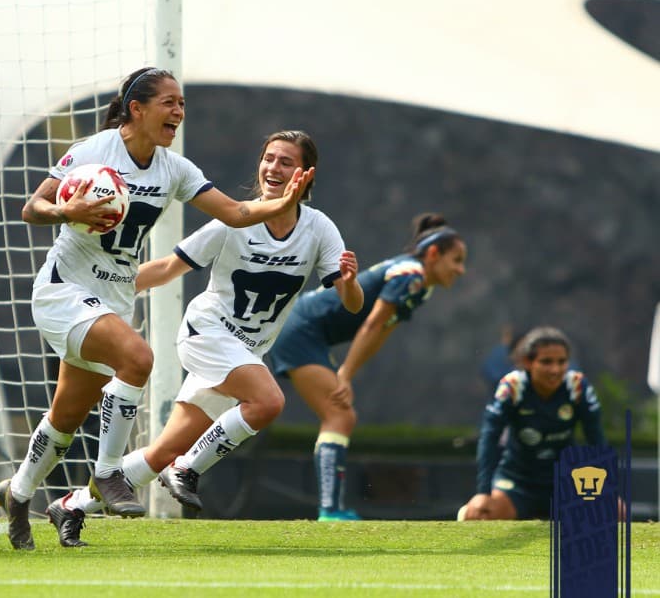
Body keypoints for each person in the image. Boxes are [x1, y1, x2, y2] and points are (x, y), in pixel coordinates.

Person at [0, 69, 315, 550]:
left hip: (114, 299)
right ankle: (107, 473)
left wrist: (284, 201)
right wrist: (66, 212)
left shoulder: (175, 169)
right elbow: (32, 208)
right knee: (138, 359)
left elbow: (237, 213)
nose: (178, 112)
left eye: (181, 103)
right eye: (169, 102)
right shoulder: (94, 152)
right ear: (136, 108)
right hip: (64, 290)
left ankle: (18, 495)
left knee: (65, 418)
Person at [41, 129, 362, 547]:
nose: (273, 168)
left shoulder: (319, 229)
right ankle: (187, 469)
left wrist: (350, 283)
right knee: (268, 401)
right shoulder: (235, 221)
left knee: (161, 452)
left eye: (286, 162)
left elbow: (352, 304)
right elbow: (167, 268)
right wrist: (101, 289)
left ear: (306, 174)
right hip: (207, 333)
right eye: (268, 158)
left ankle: (72, 505)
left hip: (243, 353)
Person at [266, 213, 468, 521]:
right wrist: (345, 374)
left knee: (341, 415)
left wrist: (347, 372)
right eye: (457, 260)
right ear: (433, 253)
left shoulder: (420, 285)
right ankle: (330, 511)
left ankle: (331, 509)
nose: (461, 269)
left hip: (308, 333)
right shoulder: (410, 274)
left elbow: (381, 330)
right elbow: (372, 325)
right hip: (300, 331)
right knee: (340, 415)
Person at [458, 326, 616, 521]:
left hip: (566, 482)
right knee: (478, 515)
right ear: (527, 362)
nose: (555, 369)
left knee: (613, 512)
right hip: (517, 482)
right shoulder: (513, 387)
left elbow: (596, 439)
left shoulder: (577, 386)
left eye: (562, 362)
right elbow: (489, 437)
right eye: (546, 362)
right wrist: (483, 492)